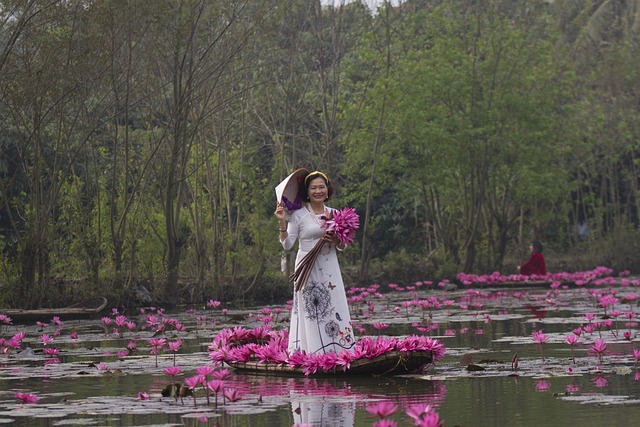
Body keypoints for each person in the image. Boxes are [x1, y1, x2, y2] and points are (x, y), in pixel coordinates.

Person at [274, 170, 355, 355]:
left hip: (329, 266)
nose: (318, 191)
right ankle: (313, 352)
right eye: (313, 188)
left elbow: (343, 246)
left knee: (333, 304)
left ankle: (338, 350)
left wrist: (336, 240)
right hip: (307, 268)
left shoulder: (335, 214)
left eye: (321, 187)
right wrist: (281, 223)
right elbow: (287, 245)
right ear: (307, 192)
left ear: (328, 190)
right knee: (313, 308)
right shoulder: (298, 215)